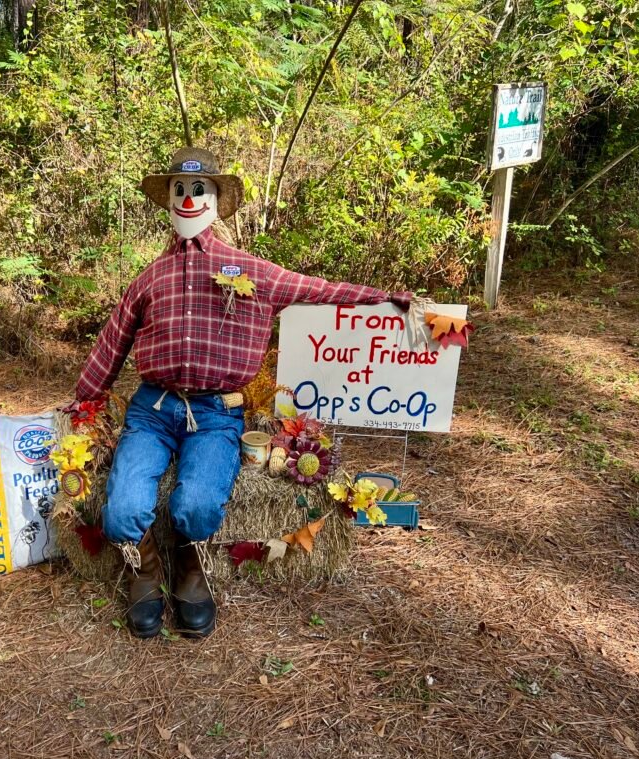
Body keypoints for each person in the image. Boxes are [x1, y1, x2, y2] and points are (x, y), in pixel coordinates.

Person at [69, 147, 411, 639]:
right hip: (153, 408)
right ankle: (143, 572)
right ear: (168, 200)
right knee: (121, 509)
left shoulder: (253, 271)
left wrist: (380, 298)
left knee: (197, 506)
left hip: (216, 412)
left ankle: (190, 570)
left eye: (197, 190)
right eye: (179, 191)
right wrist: (85, 400)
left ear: (214, 200)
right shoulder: (149, 278)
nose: (188, 199)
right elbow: (114, 339)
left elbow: (316, 289)